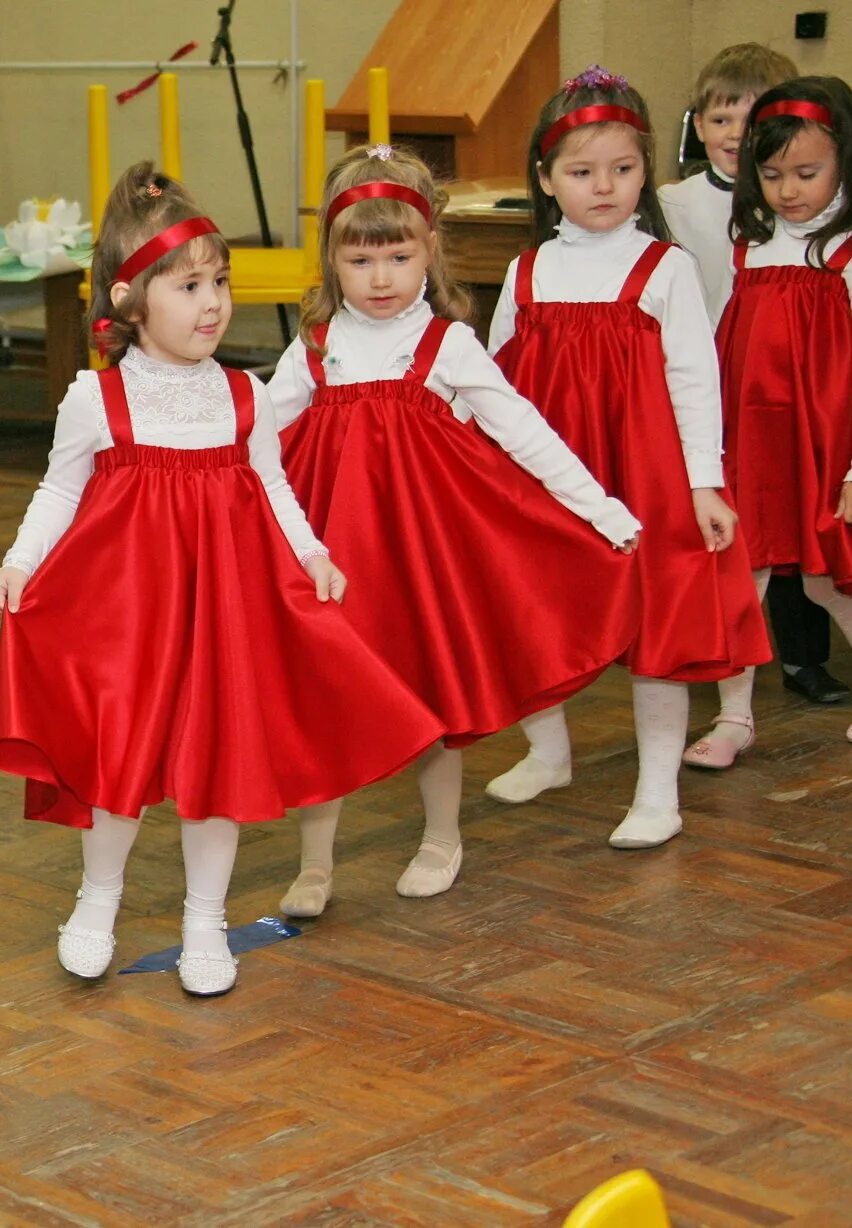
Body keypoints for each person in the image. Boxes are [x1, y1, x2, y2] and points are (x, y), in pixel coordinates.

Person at [0, 163, 443, 996]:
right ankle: (97, 900)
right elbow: (59, 488)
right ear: (127, 303)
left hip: (224, 613)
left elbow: (272, 487)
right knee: (119, 760)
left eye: (220, 282)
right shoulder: (98, 399)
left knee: (215, 767)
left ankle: (205, 917)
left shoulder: (243, 395)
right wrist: (19, 561)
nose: (212, 303)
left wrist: (310, 554)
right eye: (189, 285)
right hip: (131, 615)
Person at [267, 145, 640, 910]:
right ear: (331, 261)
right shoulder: (314, 350)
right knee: (325, 698)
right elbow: (255, 443)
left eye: (398, 257)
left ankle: (441, 836)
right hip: (334, 558)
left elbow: (524, 432)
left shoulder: (446, 345)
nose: (380, 279)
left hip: (423, 560)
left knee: (433, 696)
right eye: (361, 260)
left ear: (429, 252)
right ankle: (314, 862)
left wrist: (599, 509)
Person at [486, 66, 770, 848]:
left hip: (646, 477)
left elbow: (693, 379)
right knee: (533, 613)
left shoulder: (664, 267)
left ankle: (655, 790)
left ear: (646, 171)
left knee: (658, 632)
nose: (603, 187)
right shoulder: (527, 269)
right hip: (550, 479)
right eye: (580, 172)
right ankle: (548, 752)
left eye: (622, 169)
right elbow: (491, 378)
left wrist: (704, 483)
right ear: (546, 180)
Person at [683, 76, 852, 765]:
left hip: (823, 445)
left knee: (827, 581)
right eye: (769, 175)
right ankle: (735, 717)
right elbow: (720, 350)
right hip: (753, 443)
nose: (787, 190)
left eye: (805, 173)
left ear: (844, 164)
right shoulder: (748, 249)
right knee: (739, 577)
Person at [660, 43, 847, 706]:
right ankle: (714, 656)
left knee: (793, 520)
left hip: (772, 381)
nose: (735, 133)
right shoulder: (672, 202)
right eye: (720, 118)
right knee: (729, 527)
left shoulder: (788, 198)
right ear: (698, 124)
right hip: (701, 379)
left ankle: (803, 657)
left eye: (751, 118)